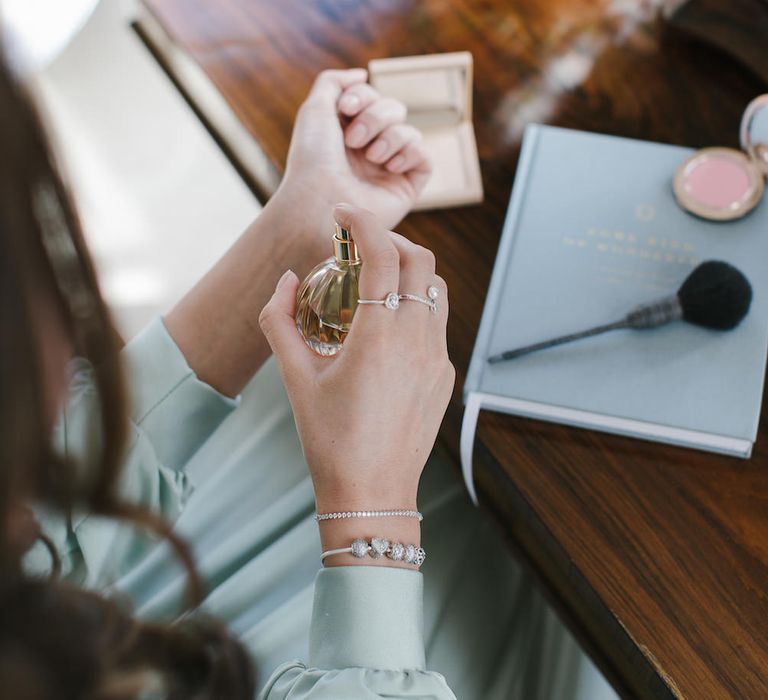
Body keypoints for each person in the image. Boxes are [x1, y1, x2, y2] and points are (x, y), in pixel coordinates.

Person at [4, 39, 617, 699]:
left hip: (126, 623)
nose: (72, 327)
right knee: (605, 549)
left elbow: (49, 513)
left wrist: (302, 222)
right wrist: (369, 508)